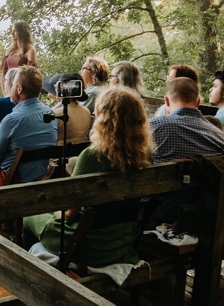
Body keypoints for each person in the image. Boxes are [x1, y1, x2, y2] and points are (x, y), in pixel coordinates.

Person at [22, 88, 154, 266]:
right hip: (124, 241)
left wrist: (49, 209)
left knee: (28, 215)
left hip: (88, 244)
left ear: (104, 119)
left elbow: (69, 213)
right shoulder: (146, 155)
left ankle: (38, 273)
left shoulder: (93, 156)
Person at [148, 77, 224, 225]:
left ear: (166, 101)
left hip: (156, 214)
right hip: (204, 215)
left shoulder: (152, 127)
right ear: (198, 102)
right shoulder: (221, 136)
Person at [44, 72, 93, 145]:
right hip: (80, 153)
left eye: (58, 86)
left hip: (59, 154)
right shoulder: (87, 112)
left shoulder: (55, 115)